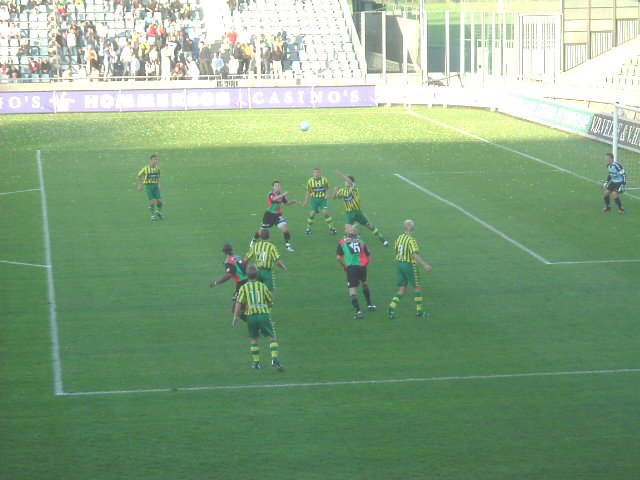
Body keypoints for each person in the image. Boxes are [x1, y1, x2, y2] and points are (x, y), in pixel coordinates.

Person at [233, 263, 284, 371]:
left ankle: (256, 363)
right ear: (257, 274)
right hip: (264, 315)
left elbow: (238, 303)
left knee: (254, 339)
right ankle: (274, 358)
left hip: (251, 317)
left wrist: (236, 316)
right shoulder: (263, 286)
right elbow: (270, 302)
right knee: (271, 337)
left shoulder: (243, 288)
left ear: (247, 275)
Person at [387, 220, 433, 319]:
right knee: (417, 287)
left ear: (404, 227)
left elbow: (396, 250)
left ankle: (391, 308)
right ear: (413, 228)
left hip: (400, 264)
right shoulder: (411, 240)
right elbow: (414, 254)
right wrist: (425, 265)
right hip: (409, 265)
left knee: (402, 289)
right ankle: (419, 311)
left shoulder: (399, 237)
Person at [333, 169, 388, 246]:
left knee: (369, 226)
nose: (345, 182)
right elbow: (336, 197)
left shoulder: (354, 187)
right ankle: (354, 240)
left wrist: (341, 174)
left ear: (351, 182)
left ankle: (381, 238)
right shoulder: (343, 190)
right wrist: (335, 192)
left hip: (358, 212)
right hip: (349, 213)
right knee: (347, 228)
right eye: (345, 181)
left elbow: (349, 180)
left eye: (347, 181)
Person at [336, 224, 376, 319]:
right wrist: (365, 264)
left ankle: (358, 311)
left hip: (351, 268)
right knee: (365, 283)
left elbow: (338, 257)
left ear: (348, 233)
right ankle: (370, 305)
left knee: (352, 290)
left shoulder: (342, 242)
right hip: (362, 266)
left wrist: (345, 266)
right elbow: (368, 255)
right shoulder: (361, 242)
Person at [250, 180, 298, 252]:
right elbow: (274, 199)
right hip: (268, 215)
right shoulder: (271, 194)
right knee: (262, 232)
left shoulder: (281, 195)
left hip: (278, 215)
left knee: (285, 229)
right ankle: (253, 240)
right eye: (276, 185)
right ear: (273, 187)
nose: (278, 187)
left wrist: (292, 202)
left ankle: (288, 246)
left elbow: (287, 203)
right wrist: (284, 194)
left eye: (279, 185)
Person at [211, 243, 248, 319]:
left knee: (235, 309)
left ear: (224, 252)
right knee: (242, 308)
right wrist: (225, 263)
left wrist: (217, 282)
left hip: (241, 284)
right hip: (246, 281)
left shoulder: (229, 261)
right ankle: (254, 322)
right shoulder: (237, 256)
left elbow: (229, 275)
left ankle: (254, 324)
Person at [245, 228, 287, 292]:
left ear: (260, 236)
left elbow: (246, 259)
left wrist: (246, 268)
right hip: (267, 272)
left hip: (257, 272)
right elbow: (277, 261)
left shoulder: (255, 246)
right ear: (269, 236)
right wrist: (284, 267)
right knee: (269, 292)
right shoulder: (271, 247)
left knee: (258, 291)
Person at [304, 167, 336, 235]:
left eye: (318, 172)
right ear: (313, 173)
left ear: (320, 173)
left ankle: (332, 228)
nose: (316, 174)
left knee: (325, 212)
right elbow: (309, 191)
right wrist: (306, 200)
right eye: (315, 172)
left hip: (322, 199)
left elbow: (327, 188)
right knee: (312, 213)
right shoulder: (310, 181)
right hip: (314, 199)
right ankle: (308, 228)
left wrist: (327, 195)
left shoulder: (324, 180)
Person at [136, 154, 164, 221]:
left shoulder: (157, 168)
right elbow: (139, 176)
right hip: (148, 186)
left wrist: (159, 184)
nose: (155, 161)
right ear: (151, 160)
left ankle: (158, 211)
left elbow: (158, 177)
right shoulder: (146, 168)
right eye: (154, 159)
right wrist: (140, 185)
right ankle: (152, 215)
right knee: (151, 201)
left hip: (155, 186)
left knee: (160, 202)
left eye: (156, 159)